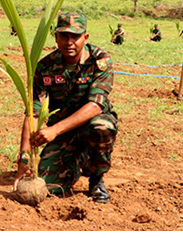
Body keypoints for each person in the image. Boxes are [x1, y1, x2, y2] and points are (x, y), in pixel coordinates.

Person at [14, 12, 117, 203]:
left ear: (85, 38)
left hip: (89, 124)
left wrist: (53, 130)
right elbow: (33, 113)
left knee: (102, 127)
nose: (69, 42)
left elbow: (95, 106)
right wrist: (24, 158)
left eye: (75, 36)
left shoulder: (100, 61)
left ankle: (96, 177)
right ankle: (77, 159)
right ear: (56, 37)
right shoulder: (45, 66)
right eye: (64, 36)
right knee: (50, 186)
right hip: (63, 132)